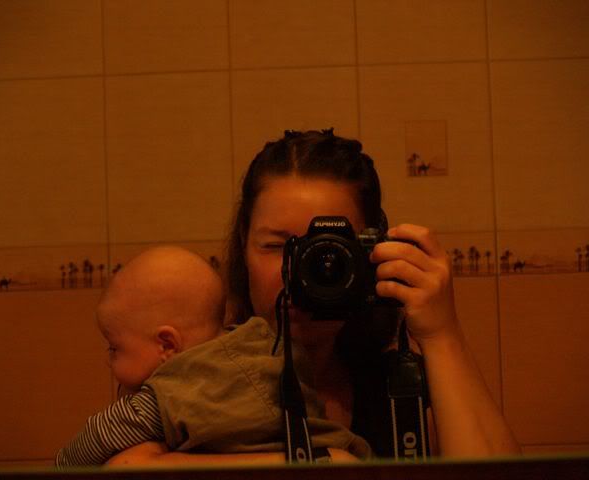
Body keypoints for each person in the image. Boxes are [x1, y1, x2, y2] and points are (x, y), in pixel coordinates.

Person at [108, 129, 521, 465]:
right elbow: (124, 467)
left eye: (328, 250)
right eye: (277, 246)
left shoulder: (399, 387)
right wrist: (327, 463)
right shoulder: (193, 374)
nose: (300, 268)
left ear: (369, 251)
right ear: (243, 248)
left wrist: (442, 333)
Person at [56, 245, 367, 467]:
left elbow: (99, 436)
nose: (109, 361)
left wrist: (62, 465)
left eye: (115, 348)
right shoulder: (261, 346)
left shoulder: (175, 391)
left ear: (167, 346)